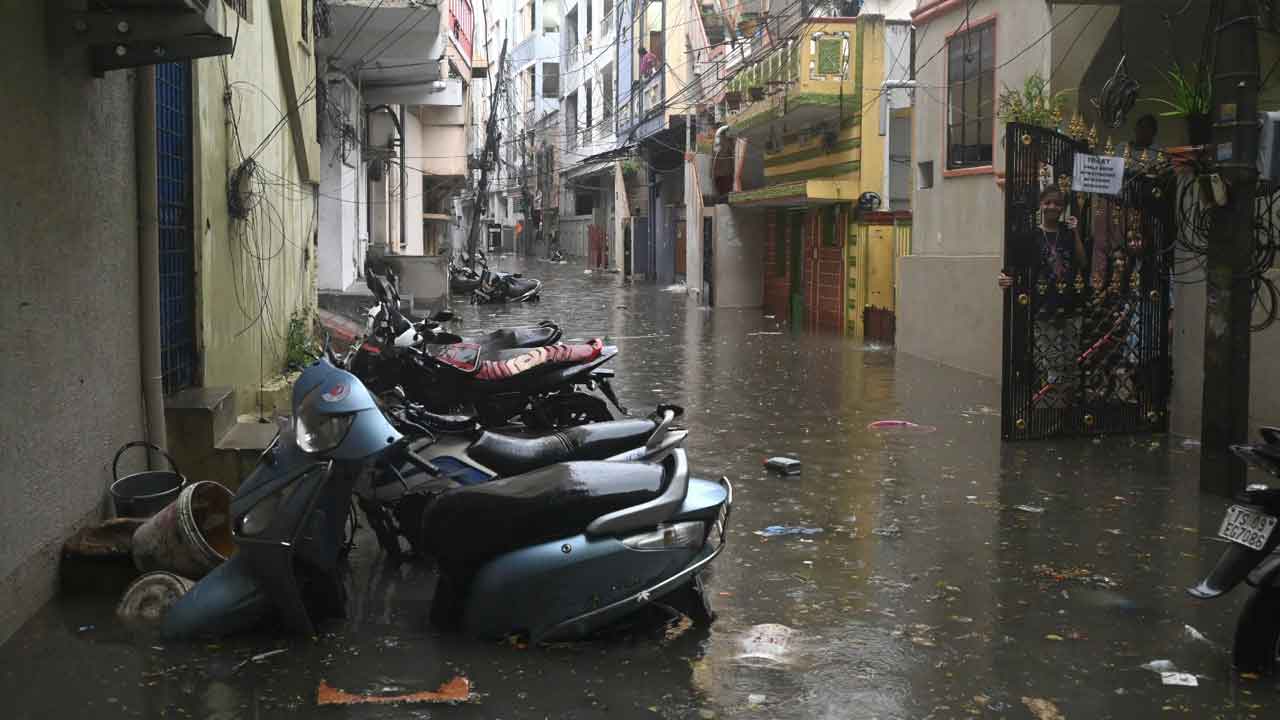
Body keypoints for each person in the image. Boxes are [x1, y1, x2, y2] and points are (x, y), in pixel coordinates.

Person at [999, 187, 1088, 408]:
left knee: (1071, 360)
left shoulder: (1067, 234)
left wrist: (1076, 232)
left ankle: (1065, 410)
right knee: (1051, 360)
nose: (1053, 207)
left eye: (1057, 203)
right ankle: (1049, 410)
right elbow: (1012, 268)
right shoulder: (1031, 236)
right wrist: (1004, 279)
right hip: (1043, 307)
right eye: (1048, 202)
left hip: (1070, 305)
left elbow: (1083, 262)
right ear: (1041, 204)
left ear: (1063, 207)